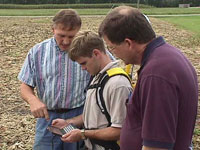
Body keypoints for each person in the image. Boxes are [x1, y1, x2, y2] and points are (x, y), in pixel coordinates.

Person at [98, 6, 198, 150]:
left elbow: (157, 146)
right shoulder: (168, 56)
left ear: (128, 43)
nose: (114, 53)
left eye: (112, 48)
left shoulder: (156, 75)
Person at [18, 9, 90, 150]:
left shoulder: (88, 50)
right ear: (53, 29)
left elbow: (108, 71)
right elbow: (25, 85)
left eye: (71, 36)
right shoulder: (37, 52)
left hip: (80, 116)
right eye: (61, 35)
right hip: (47, 119)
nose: (66, 41)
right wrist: (33, 100)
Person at [52, 31, 133, 150]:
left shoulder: (117, 84)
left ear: (96, 53)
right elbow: (93, 116)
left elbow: (120, 130)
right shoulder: (98, 77)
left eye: (84, 63)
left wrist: (83, 134)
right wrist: (68, 123)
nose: (83, 68)